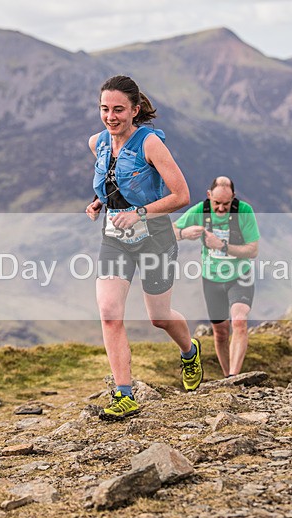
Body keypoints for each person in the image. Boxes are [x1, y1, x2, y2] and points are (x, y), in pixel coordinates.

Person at [85, 75, 202, 421]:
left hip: (155, 238)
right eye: (105, 109)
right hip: (115, 239)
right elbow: (113, 181)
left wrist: (140, 214)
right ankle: (124, 394)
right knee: (109, 313)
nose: (111, 116)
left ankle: (189, 351)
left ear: (135, 110)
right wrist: (98, 202)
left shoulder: (150, 144)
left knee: (159, 318)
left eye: (119, 109)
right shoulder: (98, 143)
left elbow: (181, 196)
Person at [174, 176, 260, 378]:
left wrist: (221, 246)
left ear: (234, 198)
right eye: (217, 203)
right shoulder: (201, 210)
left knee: (239, 321)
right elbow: (171, 231)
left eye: (226, 204)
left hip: (240, 276)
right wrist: (185, 233)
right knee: (220, 332)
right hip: (211, 279)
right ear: (209, 195)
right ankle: (227, 377)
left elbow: (253, 250)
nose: (221, 209)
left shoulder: (244, 211)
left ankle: (234, 376)